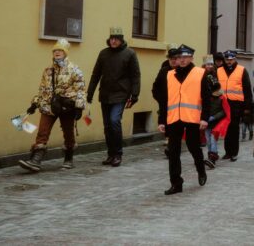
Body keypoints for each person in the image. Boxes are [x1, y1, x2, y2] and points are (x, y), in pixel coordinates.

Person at [19, 39, 85, 172]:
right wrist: (35, 103)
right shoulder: (48, 70)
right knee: (42, 131)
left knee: (68, 133)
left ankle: (68, 159)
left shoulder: (75, 70)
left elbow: (81, 89)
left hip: (66, 107)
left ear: (65, 53)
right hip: (48, 105)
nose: (57, 52)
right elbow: (43, 89)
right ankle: (36, 160)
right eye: (55, 50)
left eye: (60, 50)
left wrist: (79, 107)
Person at [87, 27, 141, 167]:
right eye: (111, 38)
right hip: (105, 93)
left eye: (116, 39)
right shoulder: (103, 53)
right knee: (107, 125)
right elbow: (96, 74)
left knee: (114, 120)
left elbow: (135, 75)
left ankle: (118, 154)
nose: (113, 41)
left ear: (121, 40)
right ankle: (110, 154)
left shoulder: (129, 53)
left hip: (121, 93)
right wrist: (90, 93)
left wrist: (135, 94)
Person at [158, 44, 208, 195]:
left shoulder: (200, 73)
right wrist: (161, 120)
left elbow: (206, 98)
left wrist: (204, 118)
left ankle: (201, 170)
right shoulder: (169, 74)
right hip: (174, 118)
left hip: (192, 118)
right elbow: (164, 99)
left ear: (191, 58)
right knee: (173, 152)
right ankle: (176, 183)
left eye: (185, 57)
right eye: (179, 57)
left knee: (194, 147)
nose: (182, 60)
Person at [217, 50, 252, 162]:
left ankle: (234, 153)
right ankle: (227, 152)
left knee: (234, 128)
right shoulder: (219, 70)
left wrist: (247, 108)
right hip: (223, 103)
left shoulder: (241, 70)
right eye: (227, 59)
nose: (229, 61)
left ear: (235, 59)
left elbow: (247, 90)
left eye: (231, 59)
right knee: (226, 128)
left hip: (236, 104)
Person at [153, 43, 179, 158]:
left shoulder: (182, 71)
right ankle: (170, 146)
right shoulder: (163, 71)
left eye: (175, 59)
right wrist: (160, 99)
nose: (173, 61)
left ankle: (172, 146)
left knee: (176, 127)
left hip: (179, 104)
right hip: (166, 104)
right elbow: (155, 87)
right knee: (168, 126)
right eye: (171, 59)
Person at [203, 69, 231, 169]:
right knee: (208, 140)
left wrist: (214, 117)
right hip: (206, 122)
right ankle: (210, 155)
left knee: (212, 139)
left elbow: (224, 111)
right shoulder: (206, 97)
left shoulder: (221, 98)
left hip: (216, 123)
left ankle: (212, 157)